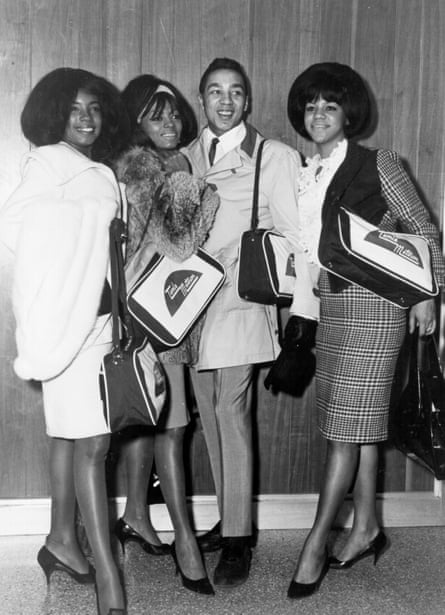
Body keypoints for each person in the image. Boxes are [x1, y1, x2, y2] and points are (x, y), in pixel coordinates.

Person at [285, 61, 445, 599]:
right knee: (357, 424)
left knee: (343, 434)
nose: (319, 115)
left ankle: (314, 545)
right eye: (311, 106)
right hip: (332, 311)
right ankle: (366, 528)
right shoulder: (307, 172)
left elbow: (422, 229)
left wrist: (426, 294)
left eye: (330, 106)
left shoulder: (379, 164)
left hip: (375, 310)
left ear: (348, 113)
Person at [183, 57, 319, 587]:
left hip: (240, 301)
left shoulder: (273, 156)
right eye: (214, 92)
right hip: (189, 307)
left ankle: (238, 539)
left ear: (248, 101)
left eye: (235, 93)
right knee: (209, 414)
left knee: (229, 408)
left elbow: (298, 241)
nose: (224, 101)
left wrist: (301, 322)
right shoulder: (187, 157)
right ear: (201, 100)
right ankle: (228, 515)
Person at [0, 68, 130, 615]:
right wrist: (85, 220)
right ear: (56, 112)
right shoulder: (44, 162)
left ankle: (61, 540)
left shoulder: (104, 171)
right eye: (75, 107)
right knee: (94, 443)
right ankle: (108, 579)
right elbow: (18, 234)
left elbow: (112, 255)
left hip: (101, 325)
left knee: (74, 437)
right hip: (65, 323)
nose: (86, 117)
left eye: (95, 108)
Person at [113, 74, 220, 595]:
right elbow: (179, 245)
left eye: (175, 112)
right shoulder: (145, 169)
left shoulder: (154, 164)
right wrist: (195, 186)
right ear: (136, 122)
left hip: (162, 310)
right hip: (156, 315)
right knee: (173, 426)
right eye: (157, 114)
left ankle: (136, 513)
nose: (170, 122)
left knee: (150, 421)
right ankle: (185, 541)